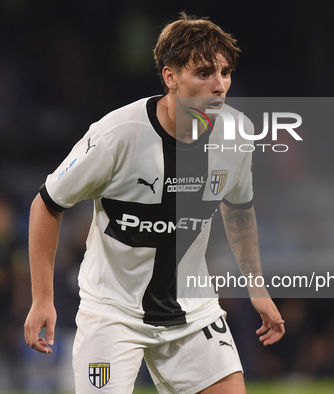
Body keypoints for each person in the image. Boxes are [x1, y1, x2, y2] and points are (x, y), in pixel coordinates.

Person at [24, 13, 285, 394]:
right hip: (113, 313)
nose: (219, 86)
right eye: (204, 73)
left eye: (225, 73)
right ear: (170, 77)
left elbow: (238, 207)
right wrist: (42, 299)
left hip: (192, 312)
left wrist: (256, 287)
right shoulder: (117, 136)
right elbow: (47, 203)